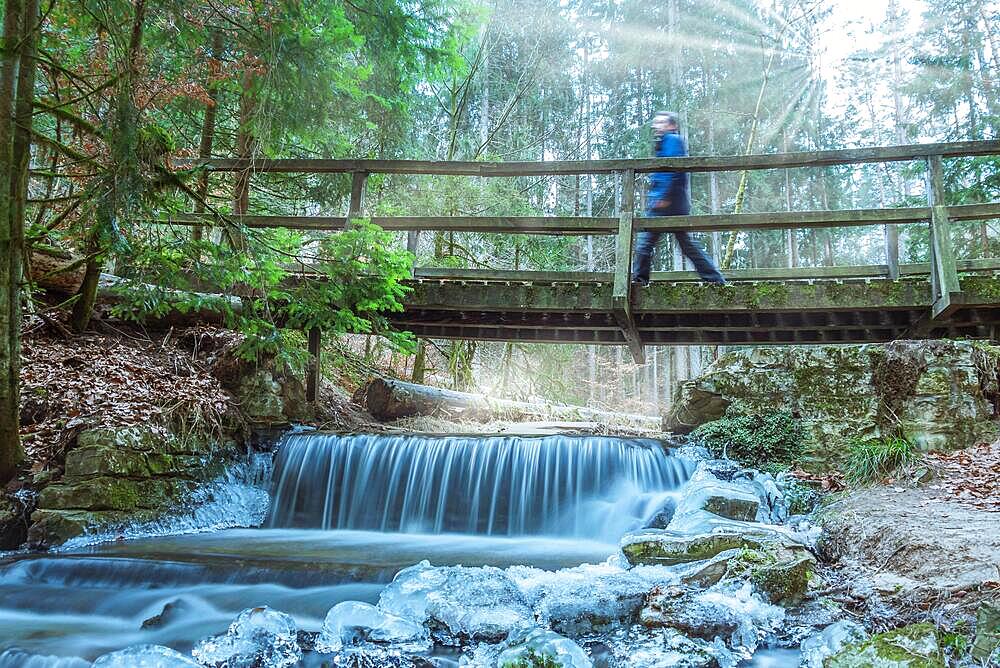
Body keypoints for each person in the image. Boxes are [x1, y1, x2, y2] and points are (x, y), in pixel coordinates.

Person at [631, 111, 726, 286]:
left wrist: (663, 197)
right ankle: (715, 279)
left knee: (646, 244)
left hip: (667, 203)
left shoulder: (673, 140)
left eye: (661, 122)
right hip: (668, 202)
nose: (656, 126)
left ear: (672, 125)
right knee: (686, 245)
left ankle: (638, 281)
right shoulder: (664, 143)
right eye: (655, 122)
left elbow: (673, 168)